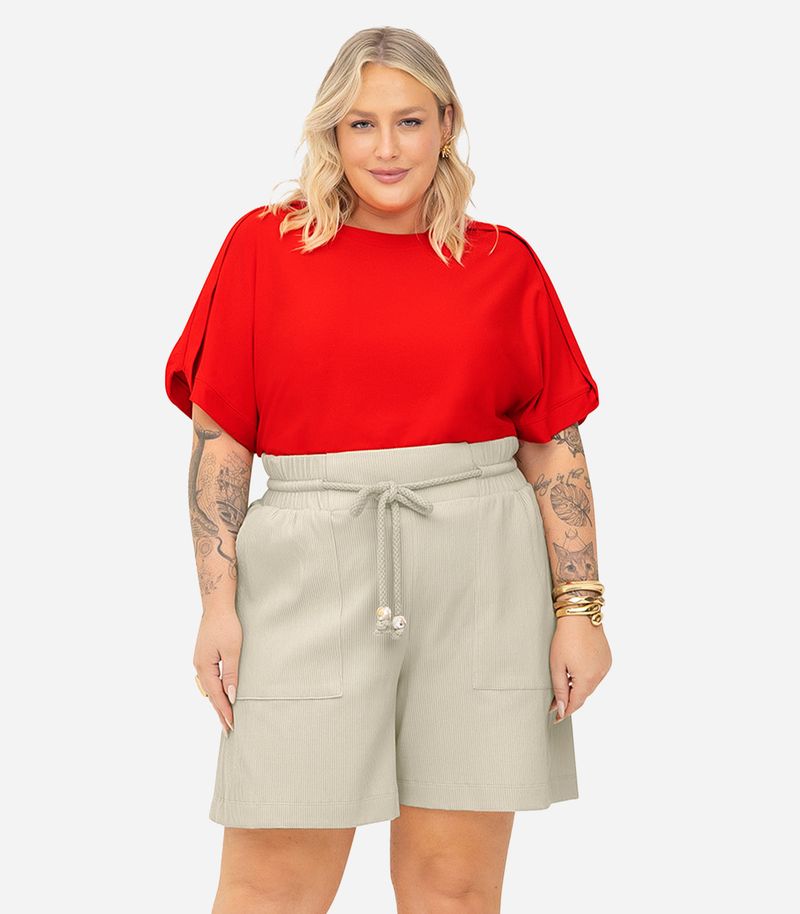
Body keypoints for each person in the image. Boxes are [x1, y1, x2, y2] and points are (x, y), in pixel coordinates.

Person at [164, 25, 612, 914]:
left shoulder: (504, 264)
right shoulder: (264, 248)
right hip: (308, 570)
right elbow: (222, 445)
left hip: (483, 576)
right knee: (271, 883)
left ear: (446, 124)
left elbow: (554, 447)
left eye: (409, 121)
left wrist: (581, 612)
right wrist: (217, 604)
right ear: (332, 132)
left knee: (454, 886)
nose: (387, 148)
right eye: (361, 124)